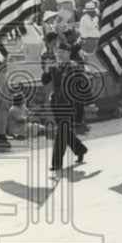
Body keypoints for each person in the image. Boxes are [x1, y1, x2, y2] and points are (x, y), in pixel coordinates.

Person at [42, 42, 89, 171]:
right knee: (65, 131)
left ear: (68, 53)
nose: (60, 54)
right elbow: (45, 81)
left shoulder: (73, 66)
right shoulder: (55, 66)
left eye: (62, 52)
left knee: (61, 132)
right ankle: (80, 149)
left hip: (69, 104)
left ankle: (56, 163)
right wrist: (47, 68)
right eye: (59, 52)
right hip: (56, 103)